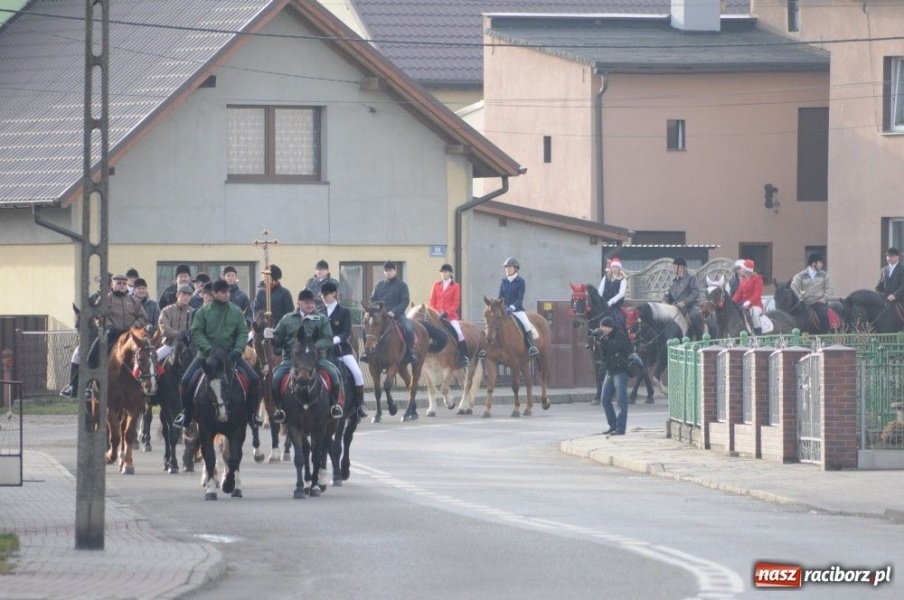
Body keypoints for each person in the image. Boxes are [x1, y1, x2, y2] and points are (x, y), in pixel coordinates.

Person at [173, 279, 261, 429]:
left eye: (228, 292)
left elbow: (242, 332)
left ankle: (252, 414)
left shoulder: (236, 311)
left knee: (254, 379)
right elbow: (196, 331)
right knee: (185, 381)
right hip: (206, 355)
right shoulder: (202, 312)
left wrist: (238, 350)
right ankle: (186, 414)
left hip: (231, 355)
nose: (227, 295)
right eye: (223, 292)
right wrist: (207, 349)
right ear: (213, 294)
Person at [60, 274, 149, 398]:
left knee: (146, 354)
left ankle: (147, 386)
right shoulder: (104, 299)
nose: (121, 286)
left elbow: (143, 317)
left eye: (124, 283)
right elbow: (98, 315)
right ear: (112, 285)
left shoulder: (134, 301)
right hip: (109, 334)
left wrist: (133, 327)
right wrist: (109, 326)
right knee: (92, 355)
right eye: (118, 283)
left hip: (129, 336)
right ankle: (88, 387)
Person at [265, 289, 344, 422]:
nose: (310, 305)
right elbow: (278, 340)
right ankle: (279, 409)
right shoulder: (287, 319)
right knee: (276, 378)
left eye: (312, 303)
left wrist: (312, 348)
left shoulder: (322, 319)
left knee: (334, 374)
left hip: (317, 358)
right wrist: (270, 336)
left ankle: (334, 405)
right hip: (290, 359)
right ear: (299, 303)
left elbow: (328, 339)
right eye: (306, 303)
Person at [320, 281, 368, 418]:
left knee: (357, 374)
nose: (323, 297)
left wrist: (335, 340)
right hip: (323, 351)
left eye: (326, 294)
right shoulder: (320, 312)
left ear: (334, 294)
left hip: (341, 349)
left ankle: (360, 405)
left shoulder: (344, 312)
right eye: (322, 294)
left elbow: (346, 332)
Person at [362, 261, 417, 364]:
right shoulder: (379, 285)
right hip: (379, 316)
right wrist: (375, 309)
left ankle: (410, 352)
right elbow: (372, 300)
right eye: (386, 270)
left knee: (409, 328)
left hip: (397, 315)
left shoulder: (402, 285)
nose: (388, 272)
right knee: (365, 328)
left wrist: (394, 312)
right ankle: (366, 353)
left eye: (390, 270)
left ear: (395, 271)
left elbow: (405, 301)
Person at [595, 316, 631, 436]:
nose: (602, 330)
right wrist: (596, 343)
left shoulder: (619, 335)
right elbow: (602, 354)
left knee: (621, 401)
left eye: (604, 327)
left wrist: (603, 340)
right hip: (610, 372)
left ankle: (620, 428)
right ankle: (612, 426)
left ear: (610, 327)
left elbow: (612, 348)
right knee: (605, 400)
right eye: (601, 327)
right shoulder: (606, 337)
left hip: (620, 371)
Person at [428, 263, 469, 367]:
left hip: (450, 317)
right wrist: (435, 313)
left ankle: (464, 356)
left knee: (459, 333)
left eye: (445, 272)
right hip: (436, 316)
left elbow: (456, 304)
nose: (443, 274)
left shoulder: (455, 286)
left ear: (450, 273)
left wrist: (446, 313)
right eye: (442, 272)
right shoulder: (436, 285)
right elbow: (432, 301)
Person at [496, 257, 539, 356]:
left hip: (517, 310)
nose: (507, 269)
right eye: (506, 267)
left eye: (509, 267)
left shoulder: (521, 282)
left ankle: (532, 346)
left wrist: (512, 307)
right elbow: (500, 297)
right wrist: (498, 304)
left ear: (515, 268)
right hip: (504, 310)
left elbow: (520, 298)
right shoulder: (504, 281)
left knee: (526, 324)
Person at [790, 253, 835, 333]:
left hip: (819, 302)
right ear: (814, 264)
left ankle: (825, 334)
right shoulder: (800, 276)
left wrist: (824, 298)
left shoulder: (825, 275)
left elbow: (830, 289)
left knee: (823, 315)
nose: (822, 264)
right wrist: (799, 297)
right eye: (820, 262)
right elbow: (793, 287)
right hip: (805, 302)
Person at [665, 257, 704, 340]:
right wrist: (664, 301)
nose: (673, 269)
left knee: (695, 316)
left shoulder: (691, 278)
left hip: (689, 307)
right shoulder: (673, 280)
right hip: (675, 306)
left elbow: (695, 293)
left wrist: (684, 302)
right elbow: (668, 294)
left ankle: (700, 339)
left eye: (674, 267)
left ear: (681, 267)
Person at [157, 283, 193, 362]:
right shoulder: (166, 310)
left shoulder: (193, 312)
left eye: (189, 295)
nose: (186, 297)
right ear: (177, 295)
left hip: (188, 347)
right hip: (169, 345)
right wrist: (179, 334)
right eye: (184, 294)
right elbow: (165, 330)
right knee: (154, 359)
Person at [732, 259, 764, 335]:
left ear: (747, 270)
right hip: (744, 305)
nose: (741, 270)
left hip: (755, 305)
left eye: (742, 268)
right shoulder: (743, 280)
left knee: (754, 315)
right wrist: (732, 302)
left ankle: (759, 334)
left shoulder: (757, 278)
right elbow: (738, 293)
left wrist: (750, 301)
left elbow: (758, 293)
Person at [597, 258, 627, 332]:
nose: (615, 269)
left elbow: (621, 293)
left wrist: (612, 301)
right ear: (611, 267)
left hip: (616, 305)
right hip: (604, 304)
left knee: (618, 320)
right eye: (613, 267)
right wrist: (600, 301)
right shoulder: (605, 278)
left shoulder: (623, 279)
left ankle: (620, 333)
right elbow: (600, 291)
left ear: (619, 268)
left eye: (617, 267)